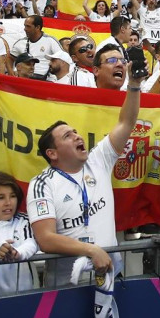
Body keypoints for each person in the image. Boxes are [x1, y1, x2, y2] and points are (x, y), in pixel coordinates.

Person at [27, 60, 145, 284]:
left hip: (109, 277)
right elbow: (46, 239)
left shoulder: (98, 160)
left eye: (75, 132)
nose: (77, 136)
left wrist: (134, 85)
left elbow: (126, 122)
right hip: (67, 285)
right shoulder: (42, 183)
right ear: (52, 153)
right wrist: (90, 250)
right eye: (67, 136)